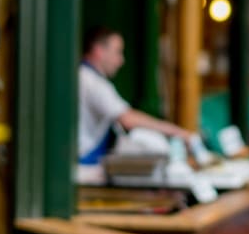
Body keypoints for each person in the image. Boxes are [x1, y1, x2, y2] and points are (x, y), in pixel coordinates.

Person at [78, 26, 193, 164]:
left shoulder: (86, 76)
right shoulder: (91, 81)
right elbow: (128, 119)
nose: (121, 61)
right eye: (117, 52)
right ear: (99, 51)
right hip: (82, 162)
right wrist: (180, 133)